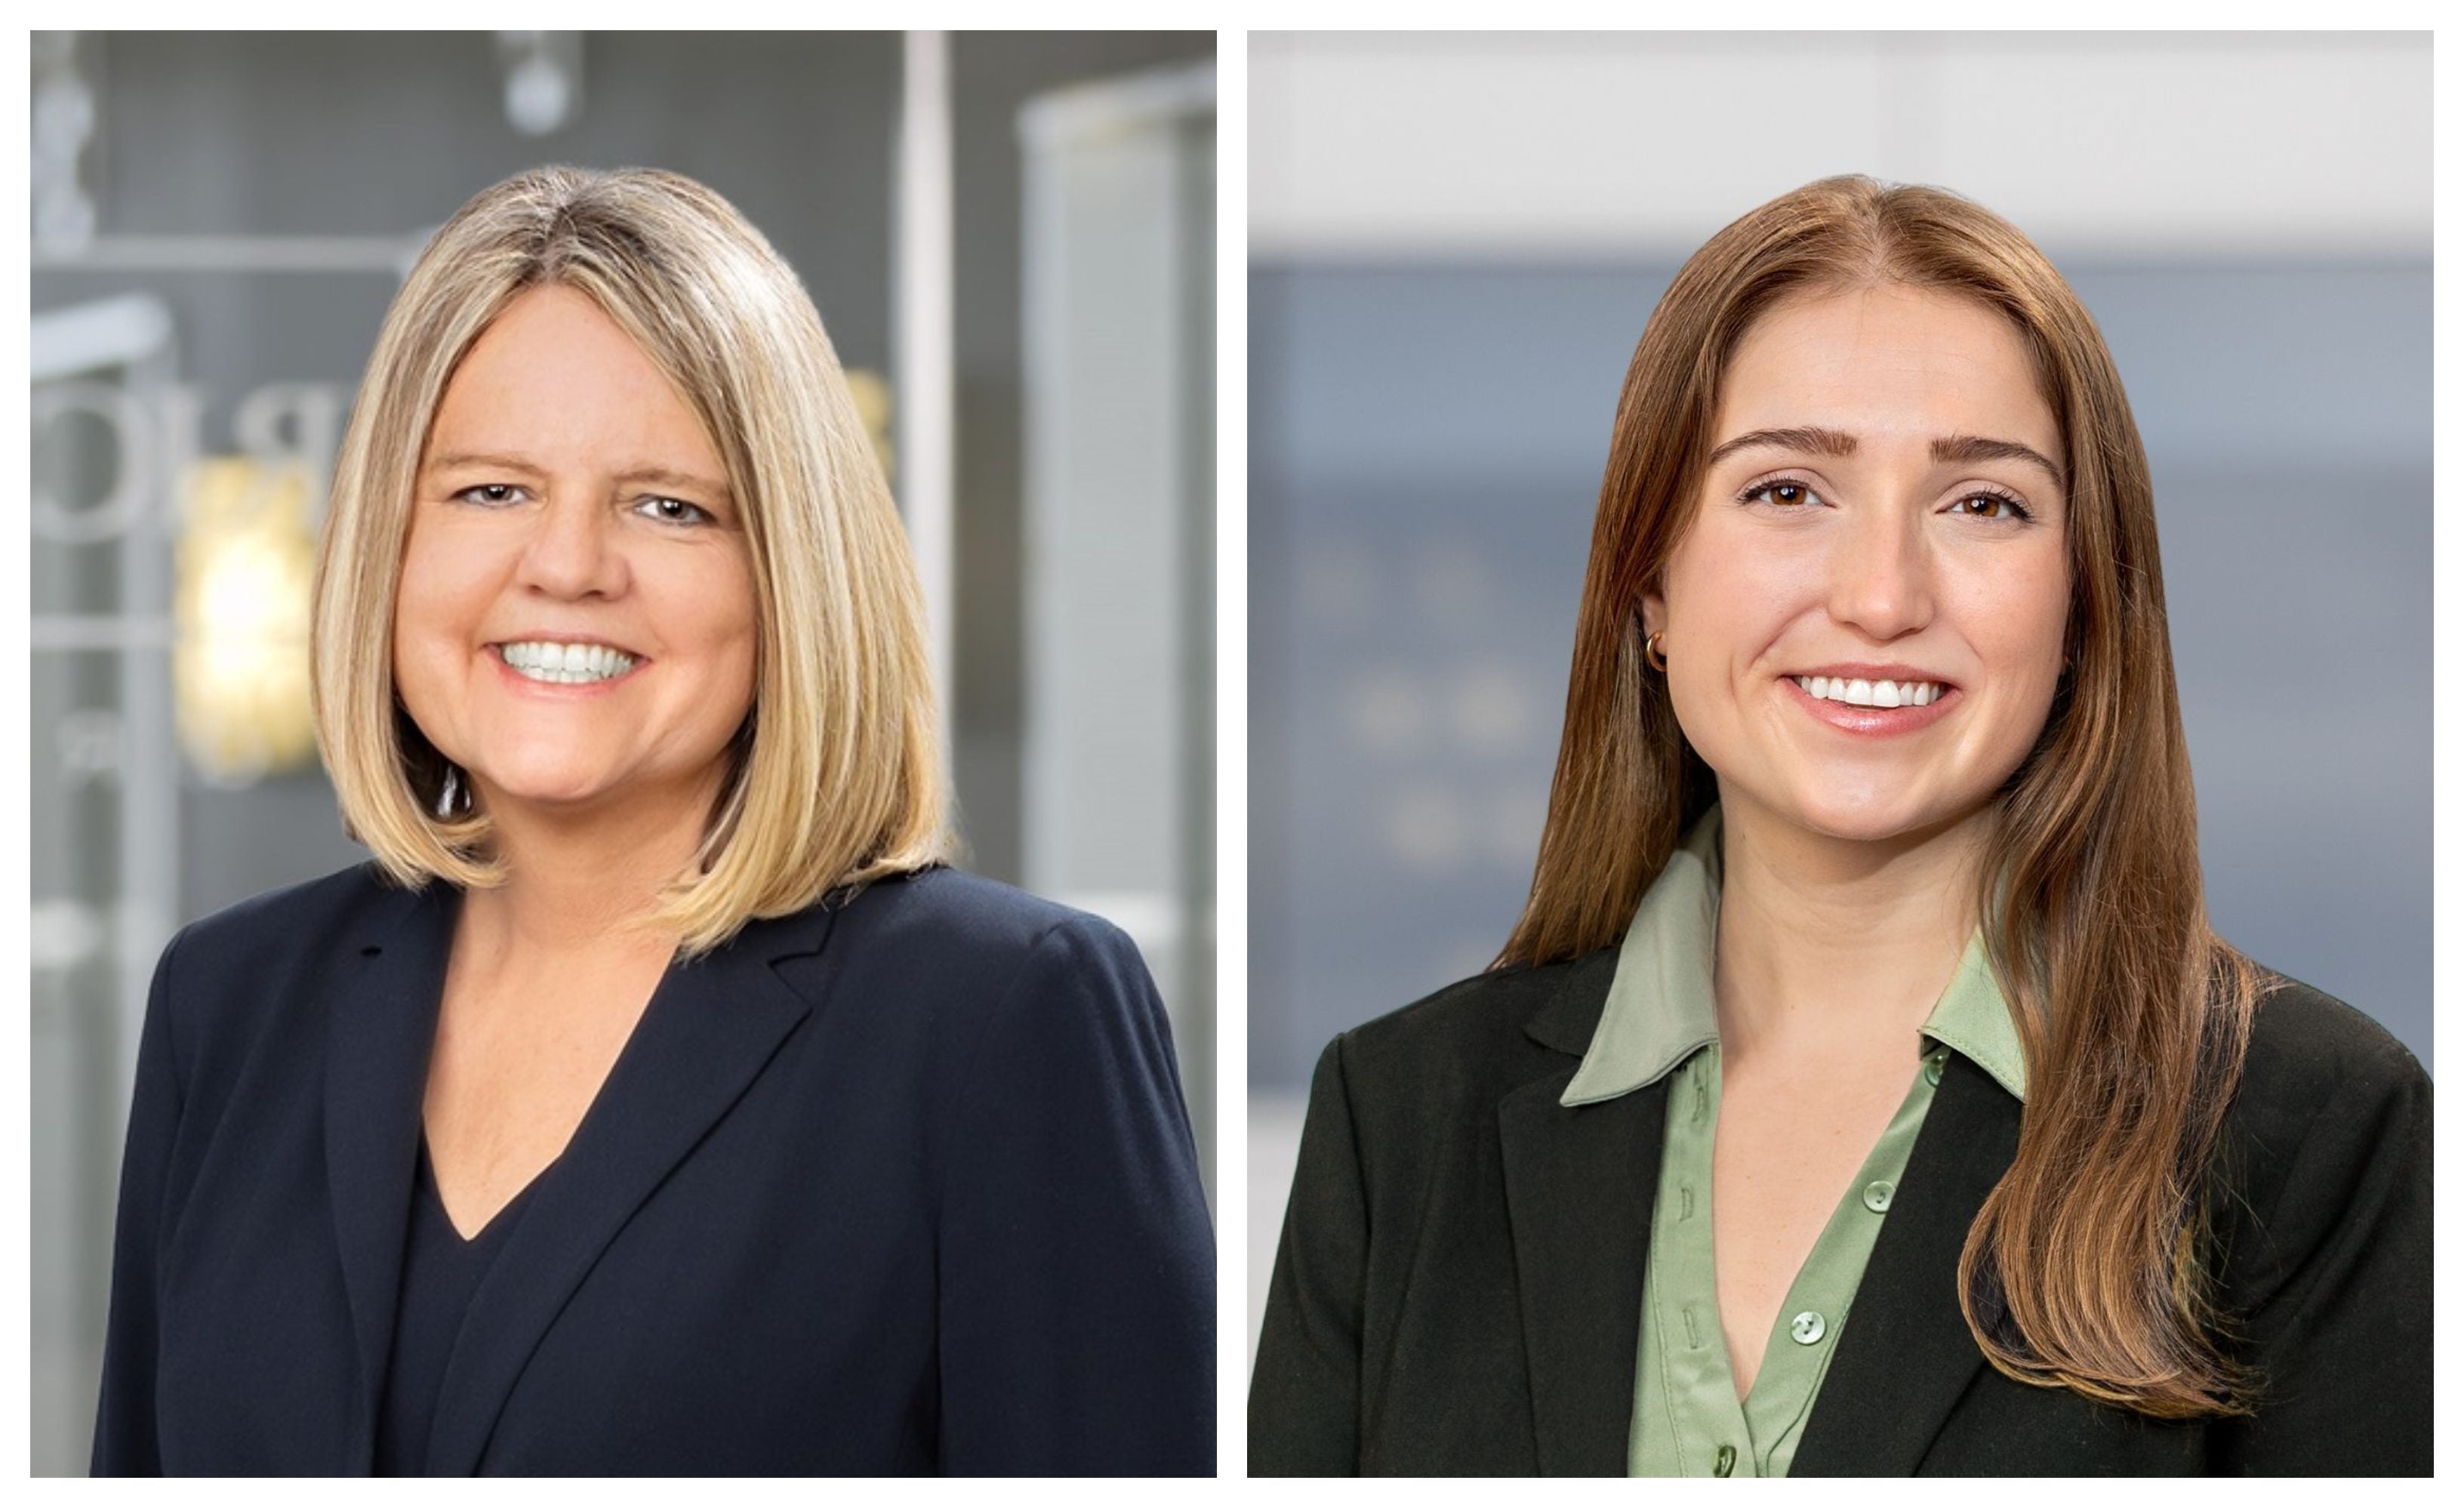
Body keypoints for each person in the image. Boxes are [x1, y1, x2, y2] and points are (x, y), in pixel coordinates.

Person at [1249, 175, 2430, 1476]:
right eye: (1786, 491)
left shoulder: (2308, 1127)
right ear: (1650, 586)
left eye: (1983, 503)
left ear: (2084, 607)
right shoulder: (1402, 1116)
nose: (1879, 596)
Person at [91, 165, 1214, 1476]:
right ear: (390, 543)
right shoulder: (227, 1006)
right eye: (491, 490)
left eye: (669, 505)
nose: (567, 565)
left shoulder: (1001, 1018)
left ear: (790, 568)